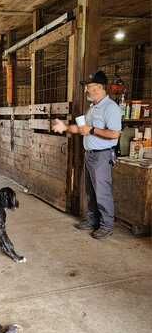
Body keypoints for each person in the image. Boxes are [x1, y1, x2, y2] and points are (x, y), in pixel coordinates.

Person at [53, 70, 121, 240]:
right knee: (91, 191)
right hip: (90, 154)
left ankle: (106, 226)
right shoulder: (93, 108)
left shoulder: (111, 108)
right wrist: (66, 127)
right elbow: (83, 129)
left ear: (99, 87)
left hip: (102, 156)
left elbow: (114, 134)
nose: (86, 91)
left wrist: (92, 129)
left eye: (88, 87)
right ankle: (92, 220)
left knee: (102, 192)